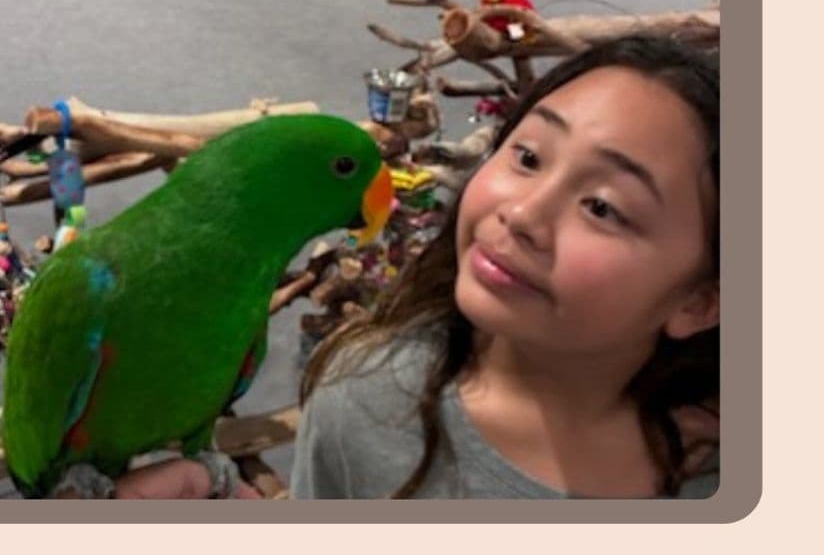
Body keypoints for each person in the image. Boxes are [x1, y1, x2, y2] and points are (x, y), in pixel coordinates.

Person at [117, 33, 720, 499]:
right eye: (528, 155)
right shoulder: (364, 395)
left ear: (703, 299)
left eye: (602, 207)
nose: (522, 214)